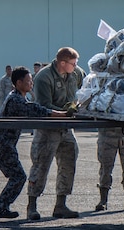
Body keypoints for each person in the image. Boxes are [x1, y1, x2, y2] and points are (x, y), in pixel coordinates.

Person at [0, 67, 67, 221]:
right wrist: (61, 114)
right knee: (18, 177)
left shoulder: (16, 96)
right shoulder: (16, 100)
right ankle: (1, 207)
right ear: (19, 82)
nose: (31, 84)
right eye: (28, 81)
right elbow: (35, 110)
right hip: (2, 144)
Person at [26, 47, 85, 220]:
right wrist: (67, 112)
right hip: (48, 128)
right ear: (62, 63)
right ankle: (32, 206)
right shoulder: (44, 77)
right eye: (73, 63)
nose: (76, 66)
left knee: (69, 162)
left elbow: (85, 87)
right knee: (40, 165)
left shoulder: (76, 73)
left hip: (66, 127)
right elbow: (44, 106)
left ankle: (61, 205)